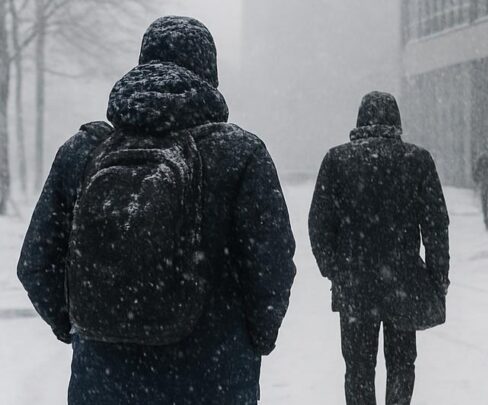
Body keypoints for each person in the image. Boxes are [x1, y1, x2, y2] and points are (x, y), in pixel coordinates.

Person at [17, 16, 296, 404]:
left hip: (103, 382)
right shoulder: (240, 155)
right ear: (209, 75)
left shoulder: (82, 152)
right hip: (212, 381)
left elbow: (35, 262)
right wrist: (251, 343)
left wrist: (82, 329)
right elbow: (272, 267)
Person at [309, 91, 450, 405]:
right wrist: (438, 279)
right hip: (405, 282)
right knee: (402, 364)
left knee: (358, 368)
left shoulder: (337, 160)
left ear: (360, 120)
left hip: (355, 286)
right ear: (396, 121)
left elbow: (318, 224)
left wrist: (335, 269)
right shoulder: (417, 160)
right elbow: (436, 227)